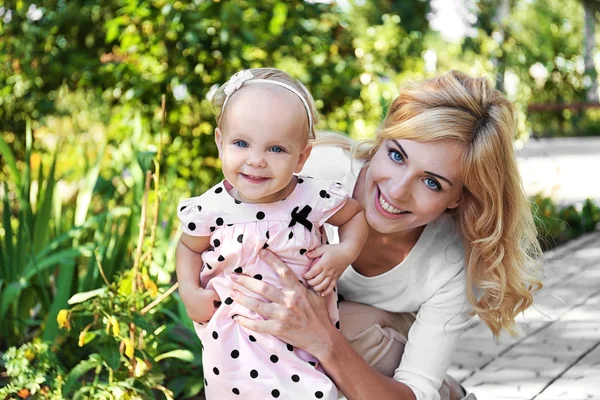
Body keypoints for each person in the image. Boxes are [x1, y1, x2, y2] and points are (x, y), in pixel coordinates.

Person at [224, 70, 544, 400]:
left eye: (432, 182)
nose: (397, 190)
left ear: (458, 197)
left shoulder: (448, 263)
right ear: (383, 138)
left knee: (346, 328)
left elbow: (415, 392)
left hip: (364, 346)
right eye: (396, 155)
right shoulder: (315, 175)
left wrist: (323, 339)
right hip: (297, 339)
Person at [175, 68, 368, 400]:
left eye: (276, 149)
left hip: (302, 339)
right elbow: (189, 248)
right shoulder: (209, 209)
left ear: (302, 157)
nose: (256, 160)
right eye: (241, 143)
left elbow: (356, 217)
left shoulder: (314, 198)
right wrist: (190, 292)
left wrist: (344, 252)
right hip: (233, 342)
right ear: (220, 142)